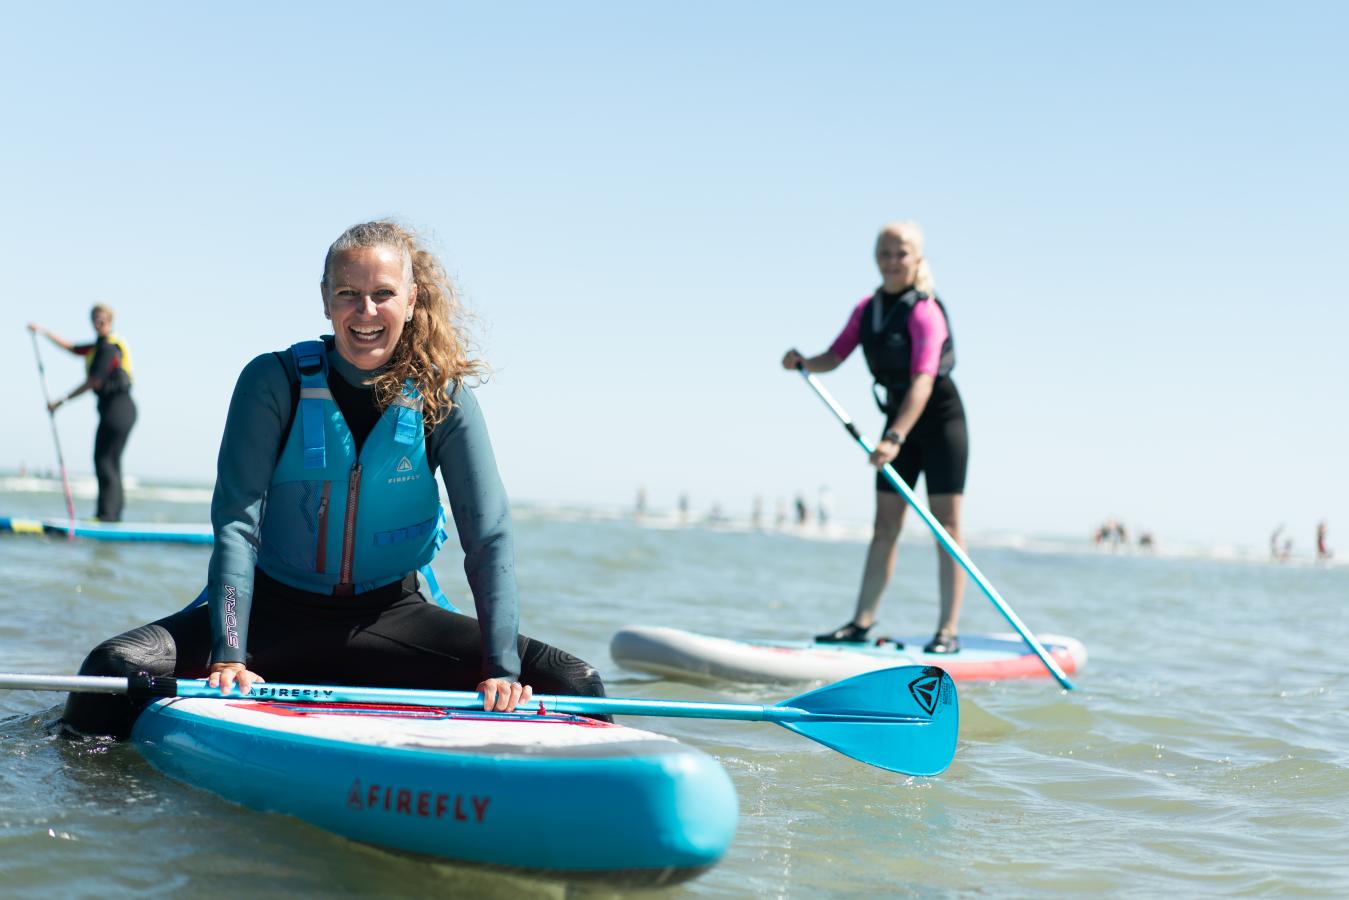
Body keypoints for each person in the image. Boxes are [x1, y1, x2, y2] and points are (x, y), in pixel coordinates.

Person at [64, 220, 606, 738]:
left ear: (412, 301)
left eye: (384, 294)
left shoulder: (444, 399)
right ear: (325, 299)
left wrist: (501, 672)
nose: (365, 311)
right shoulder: (272, 382)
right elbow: (235, 522)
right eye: (348, 293)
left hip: (391, 620)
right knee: (111, 668)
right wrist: (228, 655)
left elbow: (488, 537)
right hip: (270, 622)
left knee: (574, 682)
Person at [781, 220, 968, 654]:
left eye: (900, 252)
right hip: (897, 427)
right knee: (884, 525)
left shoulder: (925, 310)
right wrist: (804, 360)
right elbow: (835, 355)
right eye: (884, 252)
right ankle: (861, 622)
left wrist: (896, 436)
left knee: (947, 527)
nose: (891, 260)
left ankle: (947, 631)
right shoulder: (867, 310)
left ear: (917, 258)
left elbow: (923, 380)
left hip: (939, 422)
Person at [28, 306, 137, 522]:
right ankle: (113, 516)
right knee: (110, 461)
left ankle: (106, 516)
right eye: (95, 320)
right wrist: (42, 332)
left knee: (104, 460)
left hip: (119, 408)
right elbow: (71, 348)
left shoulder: (108, 348)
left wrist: (60, 402)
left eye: (102, 320)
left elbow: (94, 381)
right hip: (117, 410)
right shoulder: (97, 347)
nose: (98, 323)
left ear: (110, 322)